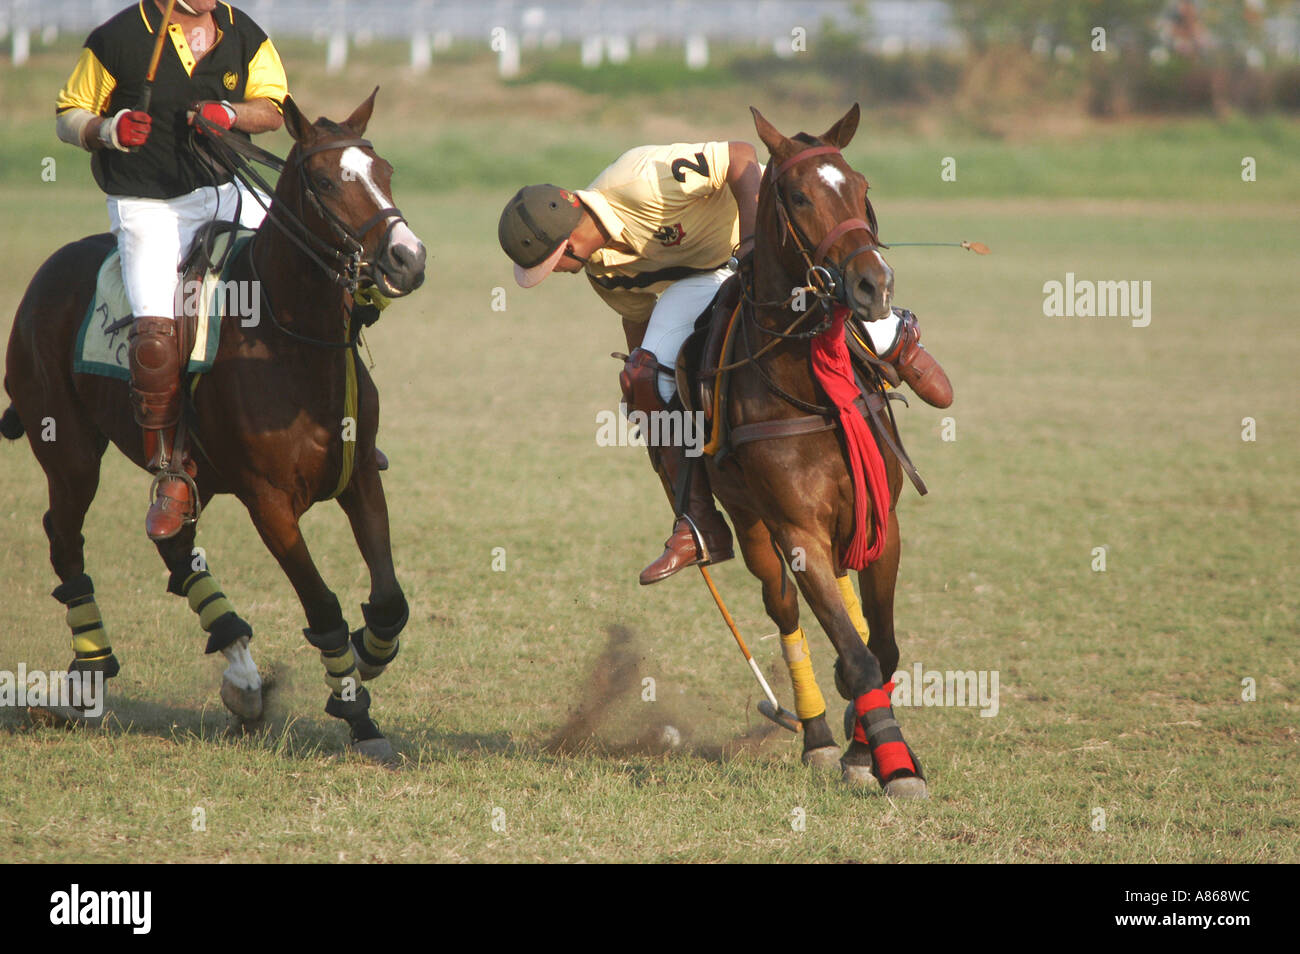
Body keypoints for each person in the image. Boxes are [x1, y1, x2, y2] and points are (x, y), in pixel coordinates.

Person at [498, 138, 951, 584]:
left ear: (566, 241)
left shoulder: (639, 178)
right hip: (697, 287)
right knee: (642, 376)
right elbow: (642, 328)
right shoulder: (602, 271)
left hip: (761, 245)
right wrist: (652, 401)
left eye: (550, 264)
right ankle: (698, 522)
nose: (554, 273)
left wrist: (753, 245)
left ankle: (896, 338)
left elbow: (739, 156)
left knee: (837, 285)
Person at [55, 0, 288, 540]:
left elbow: (274, 107)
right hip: (148, 203)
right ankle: (172, 471)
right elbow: (68, 114)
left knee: (301, 267)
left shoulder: (240, 29)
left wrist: (229, 115)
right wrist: (107, 129)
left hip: (227, 188)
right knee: (156, 332)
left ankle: (335, 421)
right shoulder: (117, 38)